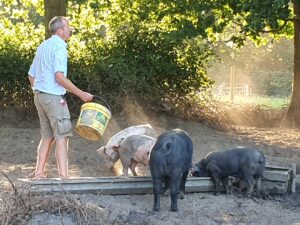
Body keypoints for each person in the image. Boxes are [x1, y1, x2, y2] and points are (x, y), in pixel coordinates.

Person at [28, 16, 94, 179]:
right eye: (68, 26)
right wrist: (81, 94)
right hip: (54, 98)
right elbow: (59, 76)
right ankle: (64, 177)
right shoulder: (59, 47)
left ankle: (39, 173)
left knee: (47, 136)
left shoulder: (43, 46)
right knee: (62, 136)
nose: (70, 29)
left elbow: (31, 75)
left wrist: (40, 89)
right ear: (60, 30)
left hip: (40, 97)